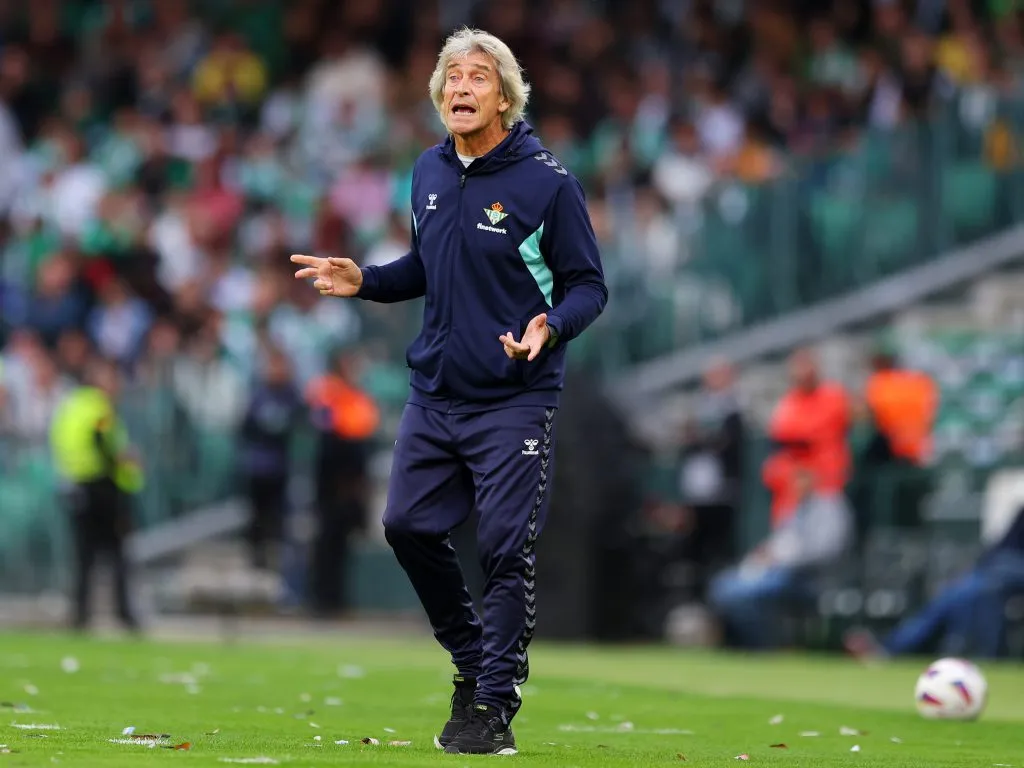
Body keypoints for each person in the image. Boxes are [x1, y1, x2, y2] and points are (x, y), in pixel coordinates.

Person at [291, 27, 607, 755]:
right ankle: (471, 659)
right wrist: (365, 280)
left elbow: (590, 285)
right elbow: (429, 268)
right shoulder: (429, 172)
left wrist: (549, 328)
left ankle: (492, 706)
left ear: (505, 96)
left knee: (502, 550)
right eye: (452, 77)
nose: (461, 88)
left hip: (515, 397)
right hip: (436, 393)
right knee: (404, 526)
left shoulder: (548, 183)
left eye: (478, 77)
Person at [845, 505, 1024, 660]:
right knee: (956, 594)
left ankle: (894, 648)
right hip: (997, 571)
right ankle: (891, 648)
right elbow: (1002, 547)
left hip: (1008, 573)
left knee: (974, 590)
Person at [709, 468, 854, 649]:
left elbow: (826, 551)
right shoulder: (795, 509)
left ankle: (764, 646)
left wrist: (784, 559)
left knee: (741, 593)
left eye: (803, 480)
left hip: (812, 579)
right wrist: (765, 554)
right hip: (782, 574)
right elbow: (781, 542)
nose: (799, 485)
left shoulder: (829, 507)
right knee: (724, 585)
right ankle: (750, 643)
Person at [49, 356, 143, 632]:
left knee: (85, 556)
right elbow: (103, 444)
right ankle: (124, 613)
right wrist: (125, 461)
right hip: (104, 489)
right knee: (117, 555)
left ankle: (81, 613)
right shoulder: (99, 408)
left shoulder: (71, 405)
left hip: (77, 487)